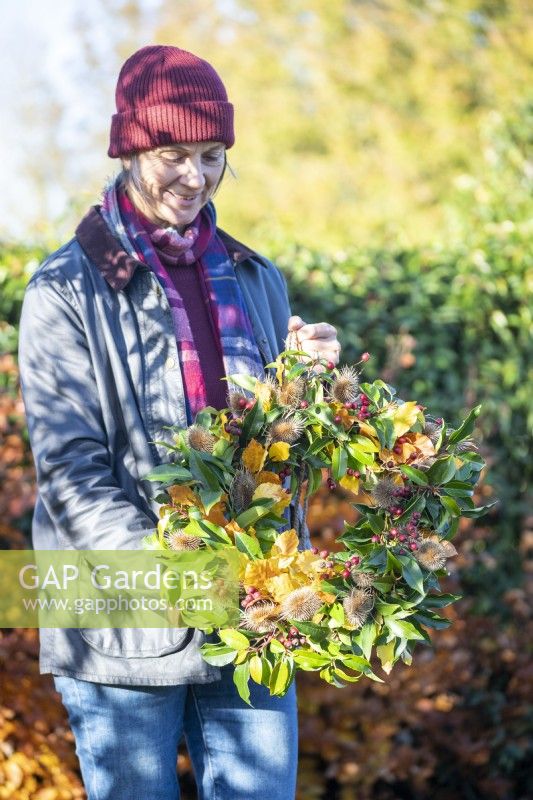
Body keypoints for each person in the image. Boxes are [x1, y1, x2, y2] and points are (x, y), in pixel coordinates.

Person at [18, 44, 341, 800]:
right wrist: (188, 576)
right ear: (130, 148)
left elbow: (276, 455)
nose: (193, 177)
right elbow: (71, 476)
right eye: (172, 154)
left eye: (212, 155)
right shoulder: (64, 290)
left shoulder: (256, 278)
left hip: (249, 613)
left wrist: (313, 392)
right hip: (116, 615)